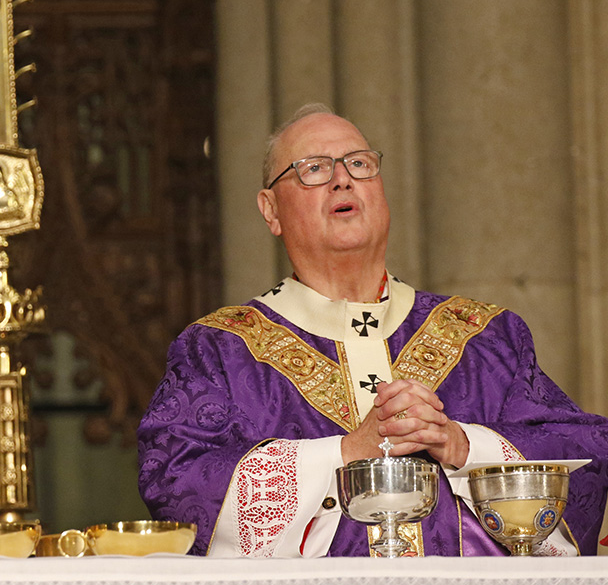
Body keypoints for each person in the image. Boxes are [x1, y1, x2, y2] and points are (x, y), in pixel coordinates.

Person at [138, 104, 608, 558]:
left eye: (359, 164)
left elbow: (584, 454)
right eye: (314, 168)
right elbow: (179, 485)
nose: (343, 178)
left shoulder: (487, 337)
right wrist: (345, 453)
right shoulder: (220, 349)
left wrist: (462, 447)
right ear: (271, 211)